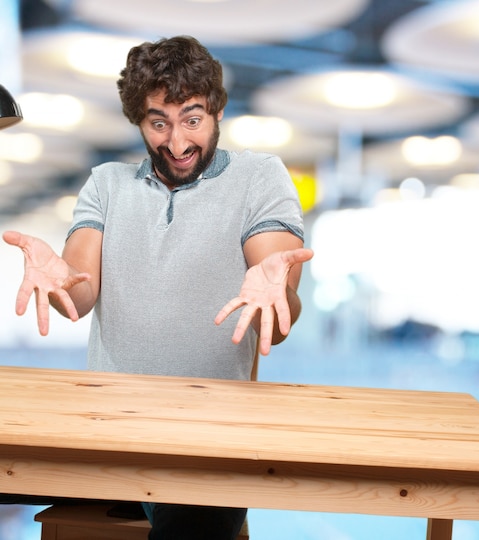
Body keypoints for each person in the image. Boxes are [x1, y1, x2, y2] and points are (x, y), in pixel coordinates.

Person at [2, 35, 313, 540]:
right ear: (139, 121)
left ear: (216, 112)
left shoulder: (260, 177)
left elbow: (276, 299)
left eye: (192, 118)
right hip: (104, 432)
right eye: (158, 122)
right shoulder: (106, 183)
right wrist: (60, 280)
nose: (176, 142)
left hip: (207, 446)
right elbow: (79, 294)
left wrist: (278, 290)